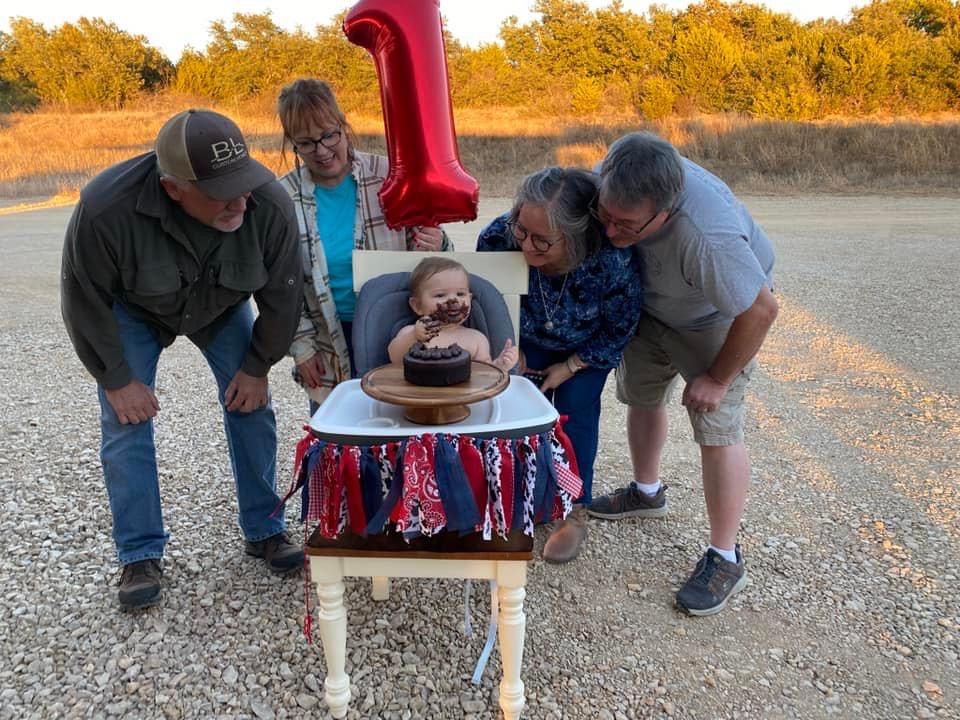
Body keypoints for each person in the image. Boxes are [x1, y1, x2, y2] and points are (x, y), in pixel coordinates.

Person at [61, 109, 305, 610]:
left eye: (243, 183)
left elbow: (284, 296)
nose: (241, 200)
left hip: (221, 306)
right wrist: (115, 378)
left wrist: (258, 366)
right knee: (125, 420)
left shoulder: (268, 203)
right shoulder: (105, 208)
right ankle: (139, 553)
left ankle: (265, 529)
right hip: (136, 310)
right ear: (172, 188)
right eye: (222, 192)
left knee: (251, 405)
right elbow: (82, 299)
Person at [586, 131, 779, 616]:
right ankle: (646, 492)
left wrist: (718, 379)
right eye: (605, 215)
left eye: (626, 225)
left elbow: (760, 310)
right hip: (653, 305)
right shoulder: (616, 172)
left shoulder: (707, 236)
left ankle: (725, 556)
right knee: (642, 397)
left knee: (718, 429)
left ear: (666, 212)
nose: (610, 231)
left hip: (714, 316)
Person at [476, 167, 642, 564]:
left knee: (575, 413)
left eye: (542, 241)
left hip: (585, 348)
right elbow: (484, 299)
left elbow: (620, 326)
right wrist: (508, 344)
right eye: (521, 230)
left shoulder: (611, 258)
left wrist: (570, 366)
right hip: (522, 342)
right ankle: (515, 496)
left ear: (576, 236)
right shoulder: (498, 237)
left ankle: (573, 509)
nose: (525, 246)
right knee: (511, 412)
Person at [276, 78, 452, 409]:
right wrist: (302, 347)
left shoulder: (391, 177)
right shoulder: (281, 198)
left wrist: (438, 243)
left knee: (399, 423)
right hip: (327, 339)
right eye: (307, 143)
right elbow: (281, 284)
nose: (322, 151)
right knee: (338, 429)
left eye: (329, 135)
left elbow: (439, 262)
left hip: (398, 329)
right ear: (292, 143)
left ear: (343, 125)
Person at [387, 257, 519, 371]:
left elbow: (484, 374)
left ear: (470, 299)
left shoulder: (476, 339)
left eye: (460, 294)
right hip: (416, 391)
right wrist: (414, 337)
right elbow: (395, 359)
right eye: (440, 295)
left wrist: (499, 366)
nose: (453, 300)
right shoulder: (410, 333)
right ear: (417, 306)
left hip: (462, 393)